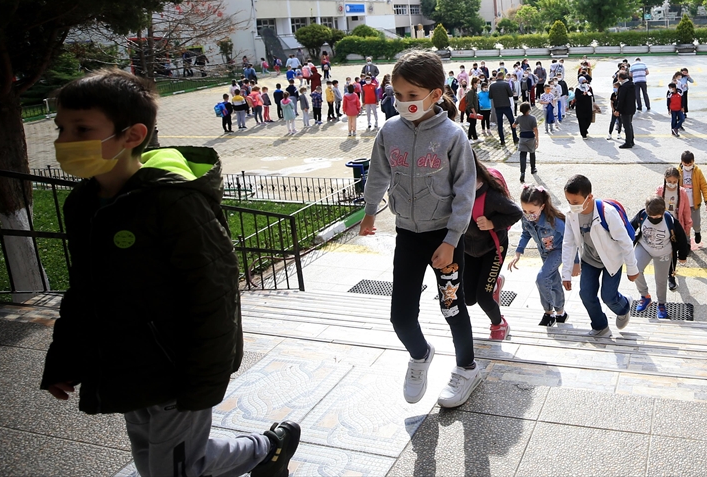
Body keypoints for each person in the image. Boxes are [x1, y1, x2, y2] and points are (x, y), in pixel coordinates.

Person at [43, 69, 302, 477]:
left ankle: (265, 446)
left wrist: (203, 380)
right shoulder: (84, 204)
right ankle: (268, 447)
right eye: (61, 128)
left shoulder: (174, 203)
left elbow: (214, 293)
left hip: (177, 368)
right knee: (157, 462)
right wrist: (65, 356)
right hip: (128, 364)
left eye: (81, 129)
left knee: (172, 470)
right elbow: (84, 288)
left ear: (132, 135)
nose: (64, 142)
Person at [358, 50, 483, 409]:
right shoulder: (389, 131)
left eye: (412, 96)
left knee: (452, 307)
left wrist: (451, 239)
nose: (404, 102)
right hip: (407, 235)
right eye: (398, 95)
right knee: (400, 315)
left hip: (443, 236)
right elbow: (379, 174)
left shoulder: (452, 135)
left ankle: (466, 368)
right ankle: (420, 355)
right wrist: (369, 213)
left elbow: (464, 191)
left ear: (435, 92)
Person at [561, 174, 639, 337]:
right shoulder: (571, 214)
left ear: (589, 197)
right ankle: (600, 326)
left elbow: (625, 241)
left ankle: (624, 306)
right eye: (568, 201)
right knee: (586, 294)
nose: (571, 205)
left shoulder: (607, 213)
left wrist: (632, 269)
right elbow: (568, 243)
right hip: (589, 260)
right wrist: (566, 273)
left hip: (611, 260)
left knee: (608, 297)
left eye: (575, 202)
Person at [464, 158, 520, 341]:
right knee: (467, 298)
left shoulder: (490, 194)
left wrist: (492, 223)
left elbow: (516, 213)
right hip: (468, 249)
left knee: (484, 297)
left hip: (493, 249)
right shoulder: (455, 189)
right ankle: (494, 284)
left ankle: (499, 323)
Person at [514, 186, 569, 326]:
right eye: (525, 210)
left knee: (541, 278)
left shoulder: (553, 220)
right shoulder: (526, 218)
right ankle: (561, 313)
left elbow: (570, 238)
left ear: (542, 206)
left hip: (558, 251)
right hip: (544, 252)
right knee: (553, 280)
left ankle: (548, 313)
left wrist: (574, 262)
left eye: (532, 211)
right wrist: (518, 252)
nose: (528, 215)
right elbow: (526, 233)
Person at [629, 197, 691, 320]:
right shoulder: (642, 215)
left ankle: (661, 304)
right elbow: (630, 228)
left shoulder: (670, 220)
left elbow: (682, 238)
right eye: (651, 216)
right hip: (645, 247)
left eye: (657, 217)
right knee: (635, 269)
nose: (654, 219)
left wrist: (682, 255)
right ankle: (645, 296)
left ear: (663, 212)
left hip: (664, 252)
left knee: (661, 280)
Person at [678, 151, 707, 245]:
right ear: (681, 162)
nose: (688, 166)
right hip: (683, 204)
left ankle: (697, 232)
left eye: (690, 164)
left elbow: (704, 186)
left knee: (696, 222)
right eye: (685, 164)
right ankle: (687, 242)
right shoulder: (678, 172)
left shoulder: (697, 172)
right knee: (685, 224)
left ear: (693, 161)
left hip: (694, 203)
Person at [488, 72, 517, 147]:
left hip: (497, 106)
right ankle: (515, 138)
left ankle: (502, 140)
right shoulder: (506, 84)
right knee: (512, 122)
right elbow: (510, 94)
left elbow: (490, 96)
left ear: (497, 77)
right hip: (506, 105)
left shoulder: (492, 85)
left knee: (500, 124)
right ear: (503, 76)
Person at [516, 103, 539, 182]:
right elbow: (535, 129)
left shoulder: (519, 118)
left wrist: (514, 125)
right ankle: (533, 168)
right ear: (529, 109)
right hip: (530, 138)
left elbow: (514, 125)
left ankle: (522, 172)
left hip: (522, 138)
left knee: (523, 155)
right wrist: (537, 139)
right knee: (532, 153)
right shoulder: (532, 118)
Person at [615, 71, 637, 149]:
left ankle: (628, 143)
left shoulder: (623, 87)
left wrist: (617, 110)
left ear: (620, 78)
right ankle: (631, 140)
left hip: (625, 109)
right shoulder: (632, 84)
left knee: (626, 126)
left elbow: (621, 100)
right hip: (632, 108)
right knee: (629, 125)